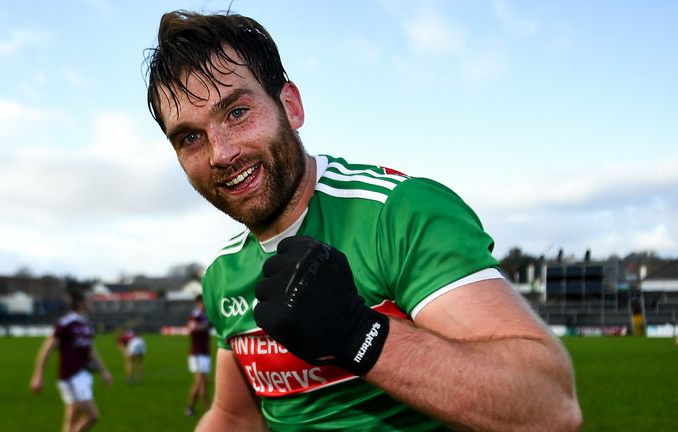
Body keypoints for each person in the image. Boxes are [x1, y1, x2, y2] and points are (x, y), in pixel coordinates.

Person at [145, 10, 583, 431]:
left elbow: (548, 408)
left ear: (291, 106)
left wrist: (357, 333)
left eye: (237, 113)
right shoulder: (223, 274)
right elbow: (236, 417)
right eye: (191, 137)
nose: (221, 153)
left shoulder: (398, 213)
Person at [30, 290, 112, 432]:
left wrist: (104, 371)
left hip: (82, 375)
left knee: (72, 419)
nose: (92, 302)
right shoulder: (66, 323)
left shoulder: (86, 325)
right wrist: (38, 376)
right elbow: (47, 349)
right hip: (71, 376)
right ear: (80, 303)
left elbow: (90, 350)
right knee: (93, 416)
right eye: (89, 299)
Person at [185, 295, 212, 417]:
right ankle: (208, 410)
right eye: (204, 302)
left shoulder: (204, 316)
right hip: (197, 353)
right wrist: (205, 326)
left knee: (199, 383)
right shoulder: (195, 316)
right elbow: (192, 327)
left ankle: (190, 407)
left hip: (204, 353)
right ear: (198, 302)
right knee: (202, 383)